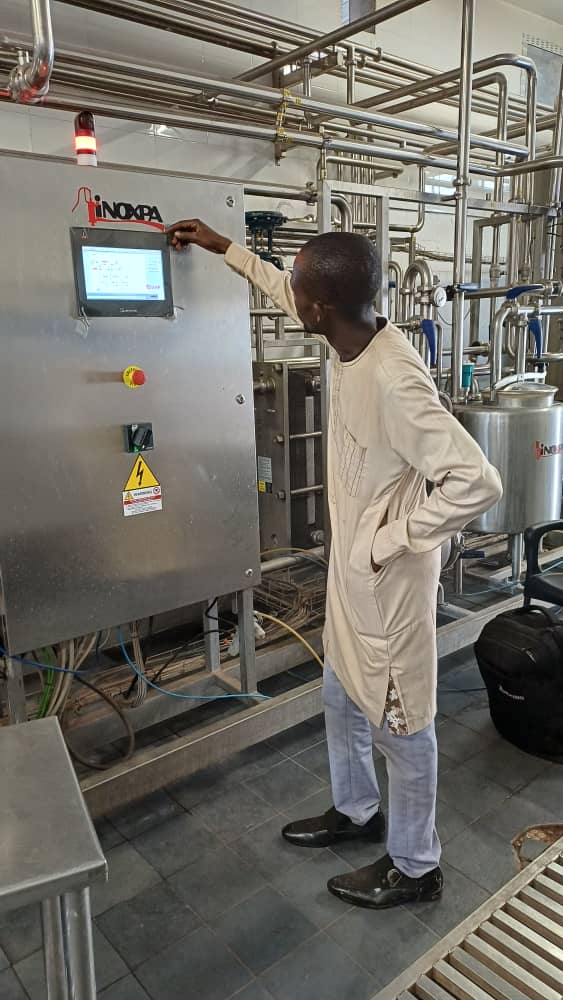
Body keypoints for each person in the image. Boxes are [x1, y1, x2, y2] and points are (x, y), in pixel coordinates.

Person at [166, 218, 503, 910]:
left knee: (401, 722)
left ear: (320, 309)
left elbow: (478, 482)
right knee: (341, 693)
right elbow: (280, 286)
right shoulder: (349, 333)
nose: (289, 295)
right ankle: (356, 811)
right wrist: (224, 247)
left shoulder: (394, 380)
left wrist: (390, 540)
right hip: (351, 574)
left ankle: (416, 866)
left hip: (387, 584)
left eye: (299, 289)